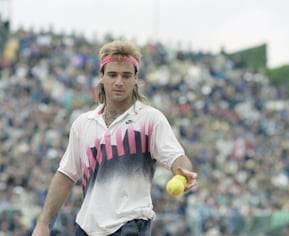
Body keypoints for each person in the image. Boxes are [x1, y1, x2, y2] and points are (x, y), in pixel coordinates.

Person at [31, 40, 198, 236]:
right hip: (86, 227)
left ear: (136, 78)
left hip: (130, 226)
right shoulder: (83, 124)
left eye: (126, 75)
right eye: (112, 75)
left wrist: (183, 171)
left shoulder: (150, 119)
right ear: (101, 76)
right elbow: (66, 176)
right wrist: (43, 223)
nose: (119, 82)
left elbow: (176, 157)